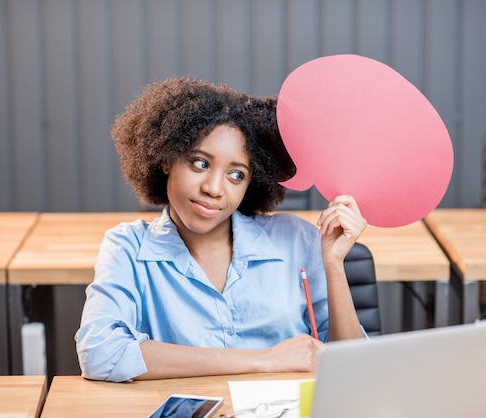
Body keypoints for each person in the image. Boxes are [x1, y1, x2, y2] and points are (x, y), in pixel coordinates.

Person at [75, 76, 367, 383]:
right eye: (200, 164)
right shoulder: (128, 247)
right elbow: (101, 353)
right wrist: (264, 361)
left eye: (236, 175)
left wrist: (333, 264)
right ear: (166, 159)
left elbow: (355, 371)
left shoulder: (296, 240)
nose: (214, 189)